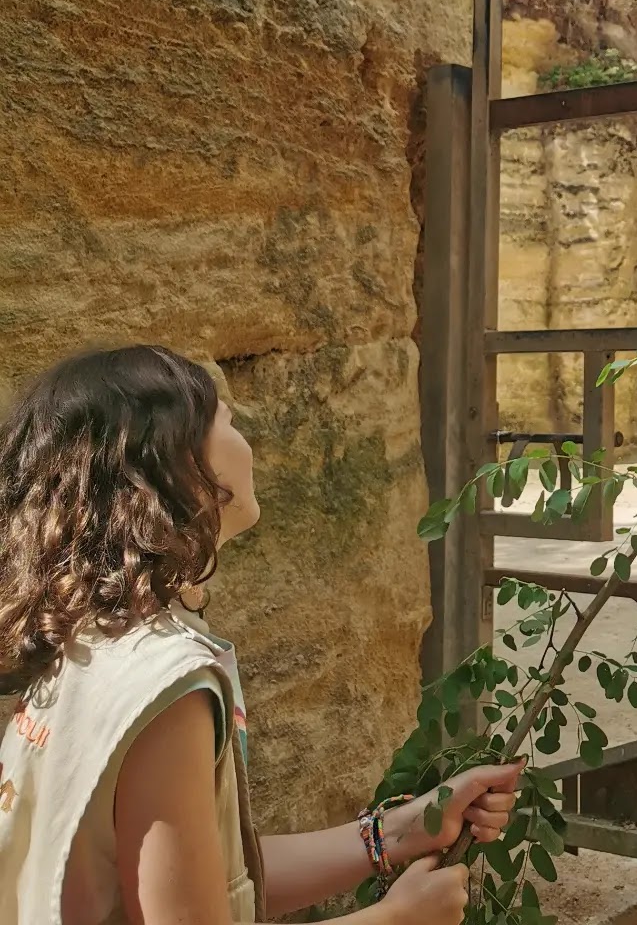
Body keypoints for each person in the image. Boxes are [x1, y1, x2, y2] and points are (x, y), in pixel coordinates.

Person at [0, 344, 522, 924]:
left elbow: (205, 881)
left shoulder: (89, 638)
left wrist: (397, 832)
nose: (246, 441)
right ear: (176, 463)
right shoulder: (165, 683)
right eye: (227, 420)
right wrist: (397, 919)